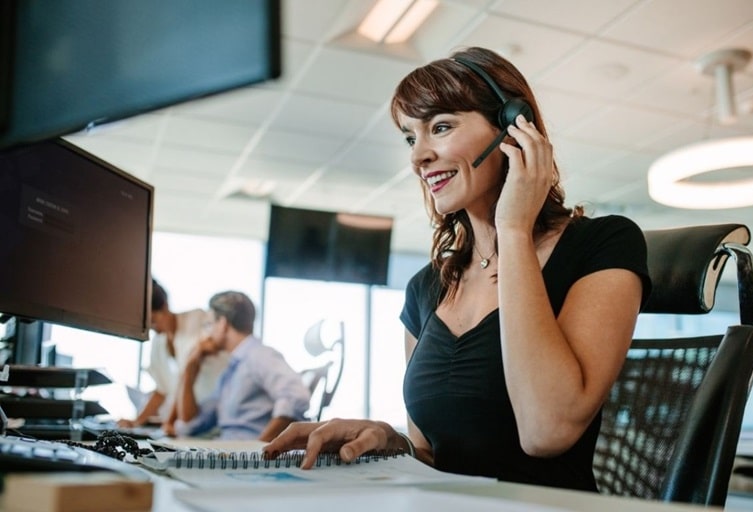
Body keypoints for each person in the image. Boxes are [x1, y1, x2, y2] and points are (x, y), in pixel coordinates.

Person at [263, 46, 651, 492]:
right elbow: (430, 451)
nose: (418, 158)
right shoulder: (426, 287)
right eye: (411, 138)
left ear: (513, 128)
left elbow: (547, 431)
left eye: (440, 127)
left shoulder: (603, 243)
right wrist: (388, 440)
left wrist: (513, 229)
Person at [173, 290, 310, 441]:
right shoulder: (232, 370)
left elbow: (296, 396)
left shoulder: (259, 355)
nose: (207, 334)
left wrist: (259, 451)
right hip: (227, 451)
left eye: (209, 325)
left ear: (223, 324)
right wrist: (190, 371)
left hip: (244, 457)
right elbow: (191, 423)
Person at [118, 279, 228, 431]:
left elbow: (191, 370)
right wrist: (137, 422)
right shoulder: (158, 342)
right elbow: (161, 390)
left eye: (153, 320)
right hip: (187, 421)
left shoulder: (198, 319)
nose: (152, 327)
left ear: (165, 307)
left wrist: (170, 421)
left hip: (213, 410)